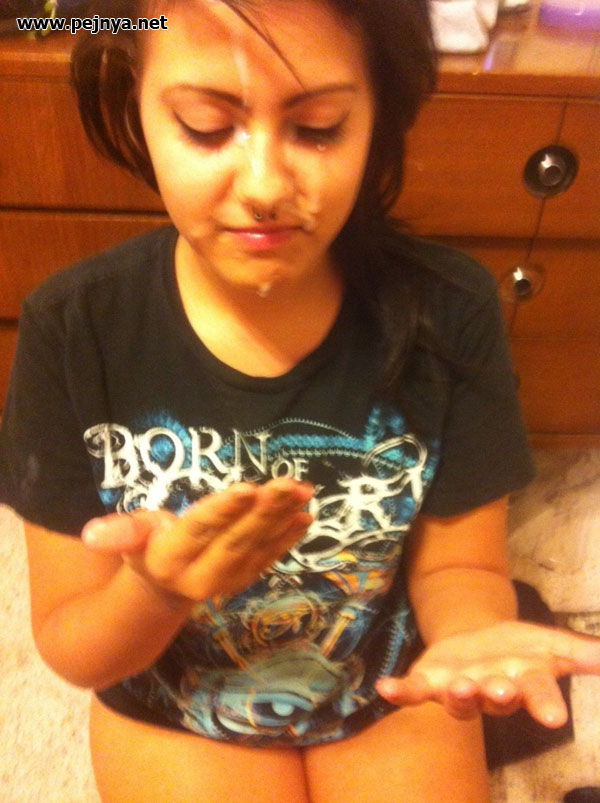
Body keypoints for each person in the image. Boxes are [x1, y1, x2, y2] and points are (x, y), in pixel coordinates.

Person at [1, 1, 599, 800]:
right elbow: (76, 645)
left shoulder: (448, 309)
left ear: (378, 114)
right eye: (207, 127)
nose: (264, 187)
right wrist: (157, 590)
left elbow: (461, 561)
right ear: (133, 94)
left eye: (318, 129)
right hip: (175, 701)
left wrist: (472, 634)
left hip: (385, 686)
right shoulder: (73, 329)